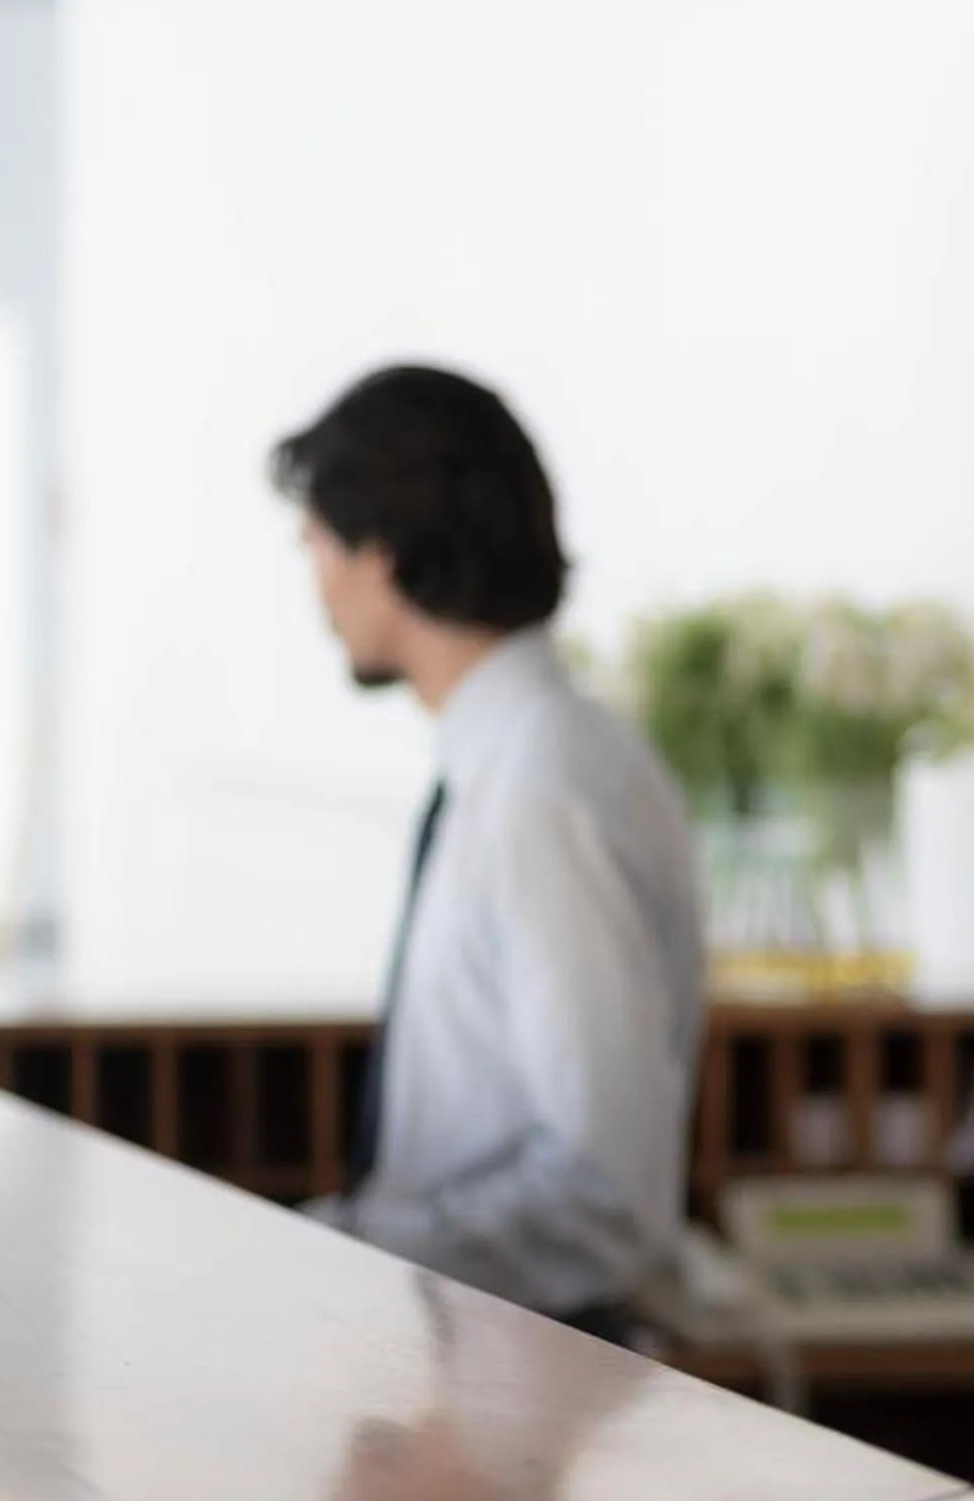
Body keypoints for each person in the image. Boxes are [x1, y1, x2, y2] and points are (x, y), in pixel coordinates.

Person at [275, 364, 702, 1342]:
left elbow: (600, 1198)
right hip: (475, 1359)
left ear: (378, 555)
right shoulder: (516, 761)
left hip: (531, 1367)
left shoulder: (547, 783)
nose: (319, 584)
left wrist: (325, 1247)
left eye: (317, 546)